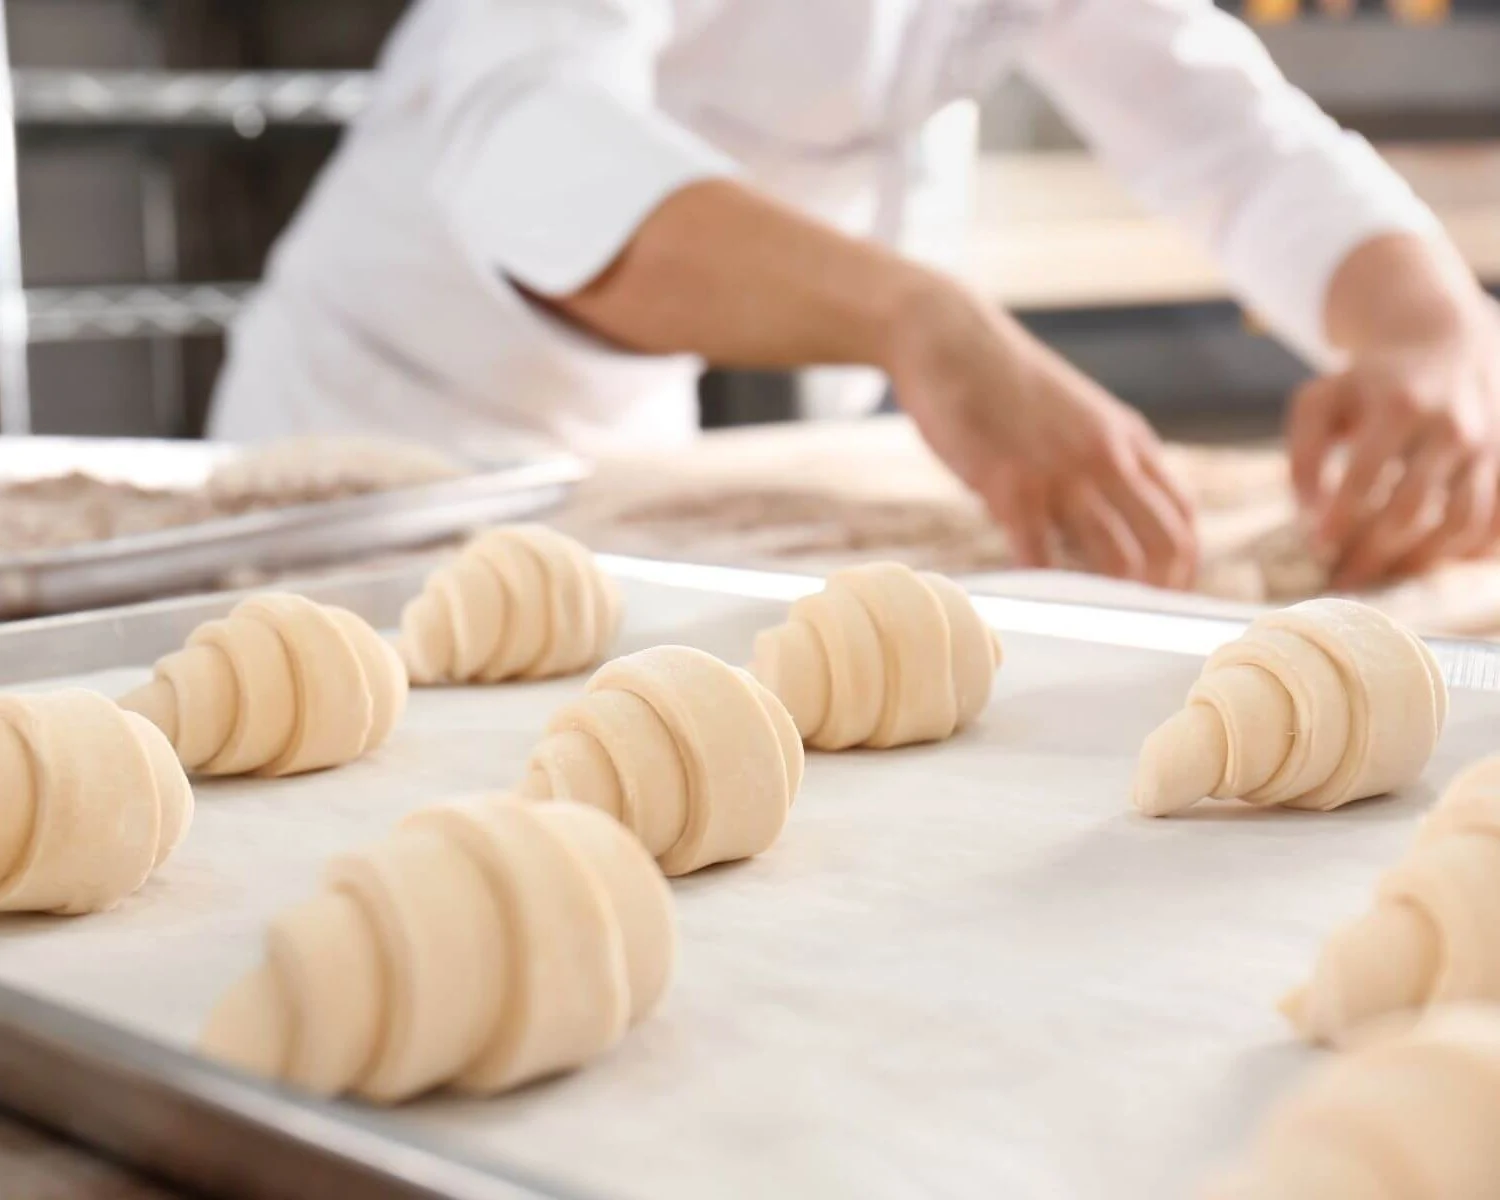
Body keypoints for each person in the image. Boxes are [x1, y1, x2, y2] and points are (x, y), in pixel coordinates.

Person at [208, 0, 1500, 592]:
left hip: (632, 462)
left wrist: (1433, 327)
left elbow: (1230, 136)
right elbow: (532, 141)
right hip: (374, 437)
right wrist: (919, 320)